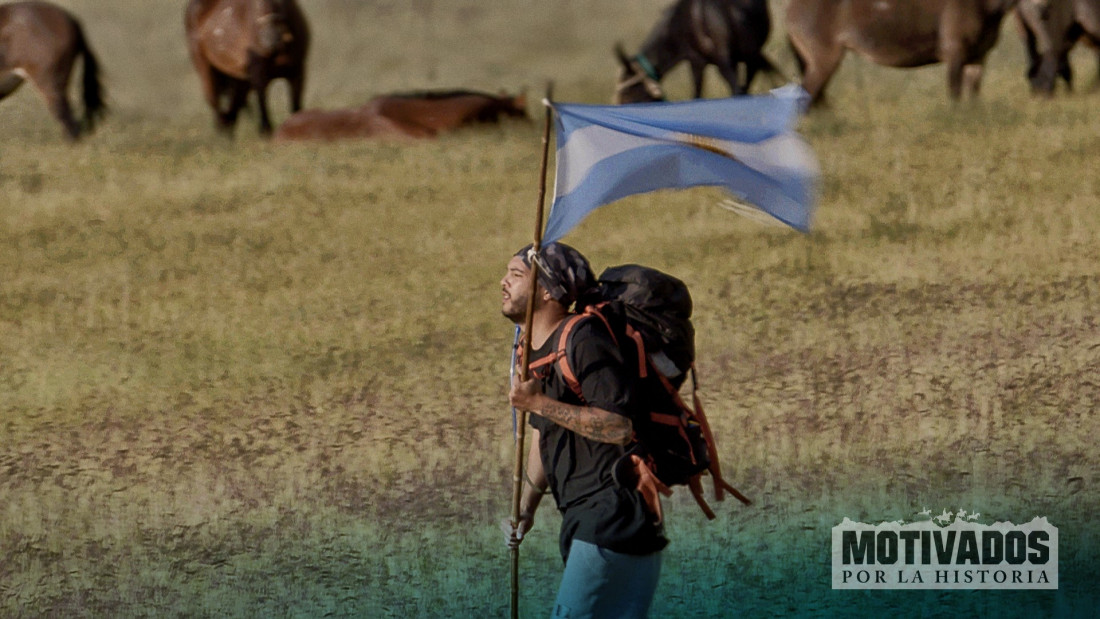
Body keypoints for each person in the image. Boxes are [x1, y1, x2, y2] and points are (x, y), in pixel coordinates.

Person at [500, 242, 668, 619]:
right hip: (592, 524)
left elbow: (618, 426)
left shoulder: (583, 338)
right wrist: (526, 510)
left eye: (516, 274)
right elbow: (544, 436)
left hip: (614, 519)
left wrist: (538, 404)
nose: (503, 282)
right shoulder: (535, 353)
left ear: (547, 290)